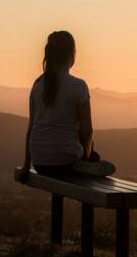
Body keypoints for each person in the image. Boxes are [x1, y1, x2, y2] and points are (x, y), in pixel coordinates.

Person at [18, 31, 116, 182]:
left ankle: (88, 163)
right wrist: (86, 157)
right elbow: (87, 132)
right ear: (72, 55)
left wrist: (26, 166)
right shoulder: (78, 86)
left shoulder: (37, 84)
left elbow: (31, 129)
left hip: (40, 163)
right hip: (66, 162)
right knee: (93, 152)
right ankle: (87, 165)